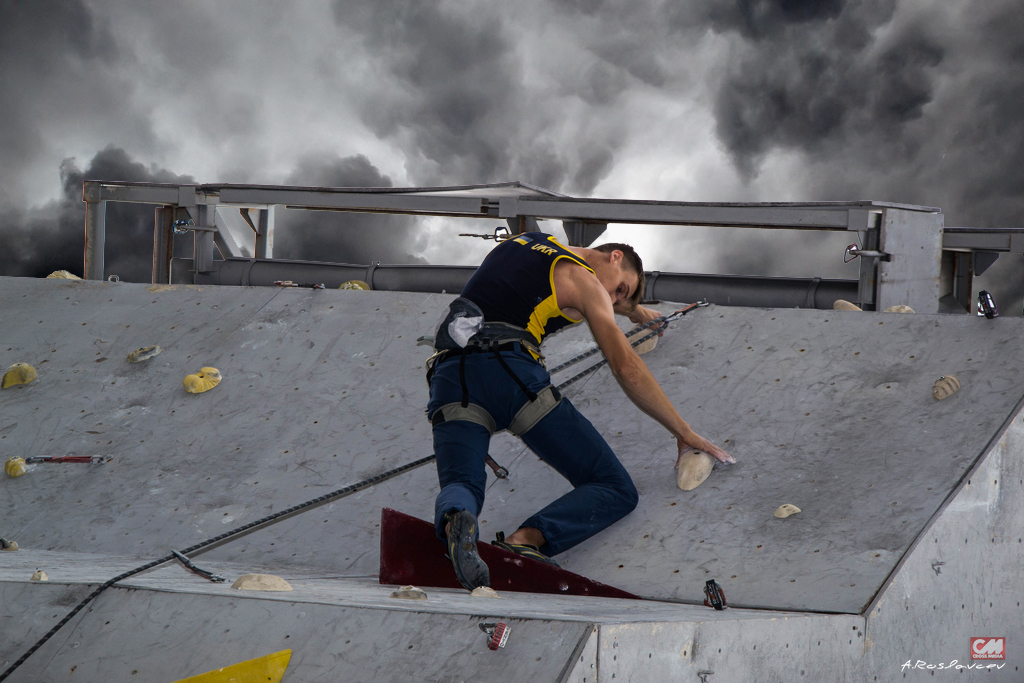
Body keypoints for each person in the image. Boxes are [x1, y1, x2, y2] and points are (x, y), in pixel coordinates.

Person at [426, 232, 733, 590]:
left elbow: (584, 293)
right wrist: (683, 432)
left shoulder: (528, 240)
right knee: (614, 487)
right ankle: (525, 541)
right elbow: (625, 366)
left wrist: (635, 310)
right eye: (621, 289)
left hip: (450, 376)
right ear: (615, 256)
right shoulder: (586, 283)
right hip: (510, 375)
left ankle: (455, 523)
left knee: (461, 483)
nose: (614, 298)